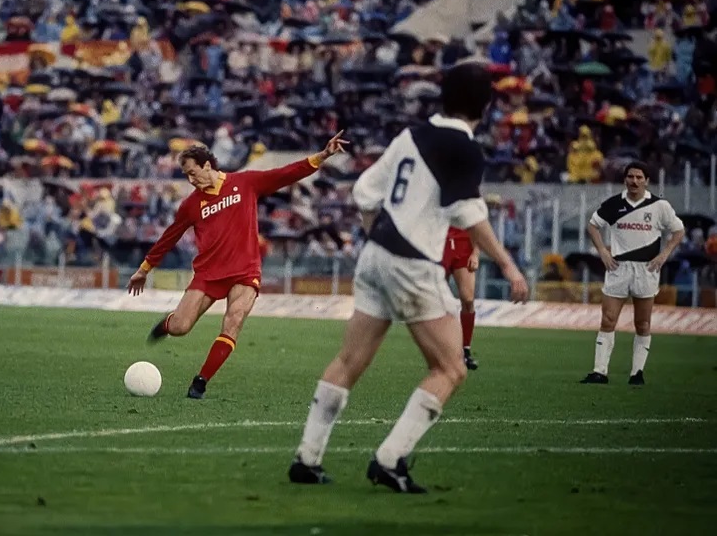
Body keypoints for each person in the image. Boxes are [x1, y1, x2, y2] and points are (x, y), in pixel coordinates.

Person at [288, 61, 529, 492]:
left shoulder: (410, 135)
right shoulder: (465, 149)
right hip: (413, 263)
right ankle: (390, 458)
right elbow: (468, 213)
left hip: (375, 254)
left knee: (348, 361)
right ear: (485, 105)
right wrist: (509, 266)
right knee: (451, 368)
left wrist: (376, 238)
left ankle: (307, 458)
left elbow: (364, 192)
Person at [128, 132, 348, 399]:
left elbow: (285, 174)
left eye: (192, 172)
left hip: (245, 271)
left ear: (207, 165)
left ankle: (200, 382)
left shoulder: (245, 182)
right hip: (208, 273)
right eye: (186, 175)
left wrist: (322, 155)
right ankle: (167, 325)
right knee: (181, 327)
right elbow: (169, 237)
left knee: (233, 323)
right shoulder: (191, 205)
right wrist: (144, 270)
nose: (190, 179)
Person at [580, 161, 685, 386]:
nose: (634, 181)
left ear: (646, 181)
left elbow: (678, 230)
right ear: (625, 179)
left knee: (643, 323)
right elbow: (592, 225)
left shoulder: (659, 206)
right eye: (630, 177)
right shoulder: (614, 204)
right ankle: (600, 372)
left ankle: (637, 373)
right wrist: (602, 252)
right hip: (618, 268)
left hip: (647, 269)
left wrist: (664, 254)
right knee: (608, 319)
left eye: (639, 177)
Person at [441, 226, 480, 370]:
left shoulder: (467, 202)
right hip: (440, 242)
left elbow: (477, 223)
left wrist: (475, 253)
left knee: (468, 298)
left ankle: (466, 350)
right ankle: (442, 350)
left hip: (464, 243)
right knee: (438, 299)